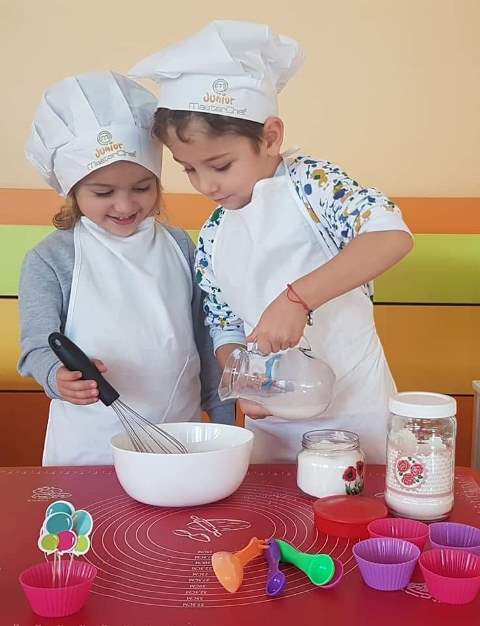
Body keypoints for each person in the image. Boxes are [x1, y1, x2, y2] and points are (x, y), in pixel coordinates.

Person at [130, 21, 414, 464]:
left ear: (270, 136)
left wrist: (297, 300)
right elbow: (224, 324)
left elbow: (390, 237)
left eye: (220, 165)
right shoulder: (214, 232)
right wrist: (240, 377)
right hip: (275, 423)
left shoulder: (314, 185)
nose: (206, 185)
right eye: (189, 169)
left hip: (358, 413)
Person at [18, 70, 234, 466]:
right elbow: (36, 345)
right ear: (73, 191)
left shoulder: (179, 245)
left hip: (178, 435)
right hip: (90, 447)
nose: (125, 205)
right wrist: (56, 376)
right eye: (103, 192)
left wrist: (225, 420)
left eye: (142, 187)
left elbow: (205, 337)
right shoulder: (50, 259)